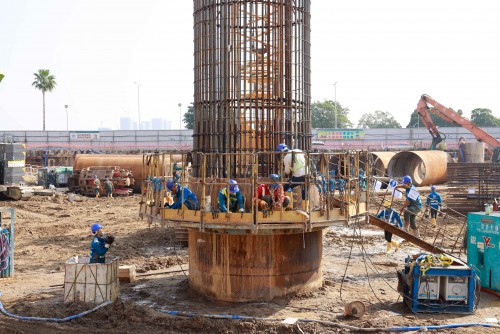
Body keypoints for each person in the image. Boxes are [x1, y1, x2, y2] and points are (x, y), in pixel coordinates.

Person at [276, 143, 308, 210]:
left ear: (282, 152)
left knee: (286, 187)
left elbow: (287, 172)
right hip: (307, 174)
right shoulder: (298, 150)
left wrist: (286, 167)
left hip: (298, 176)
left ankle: (288, 206)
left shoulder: (286, 158)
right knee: (305, 192)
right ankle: (306, 209)